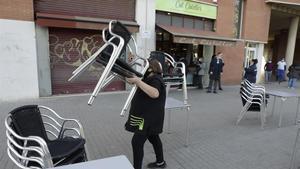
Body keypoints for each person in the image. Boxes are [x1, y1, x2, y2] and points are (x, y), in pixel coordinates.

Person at [125, 59, 167, 169]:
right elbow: (134, 82)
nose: (143, 68)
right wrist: (131, 77)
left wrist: (138, 82)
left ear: (151, 68)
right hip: (148, 116)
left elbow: (155, 93)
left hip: (148, 118)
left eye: (145, 66)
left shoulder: (156, 79)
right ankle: (161, 162)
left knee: (136, 142)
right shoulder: (148, 78)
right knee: (154, 138)